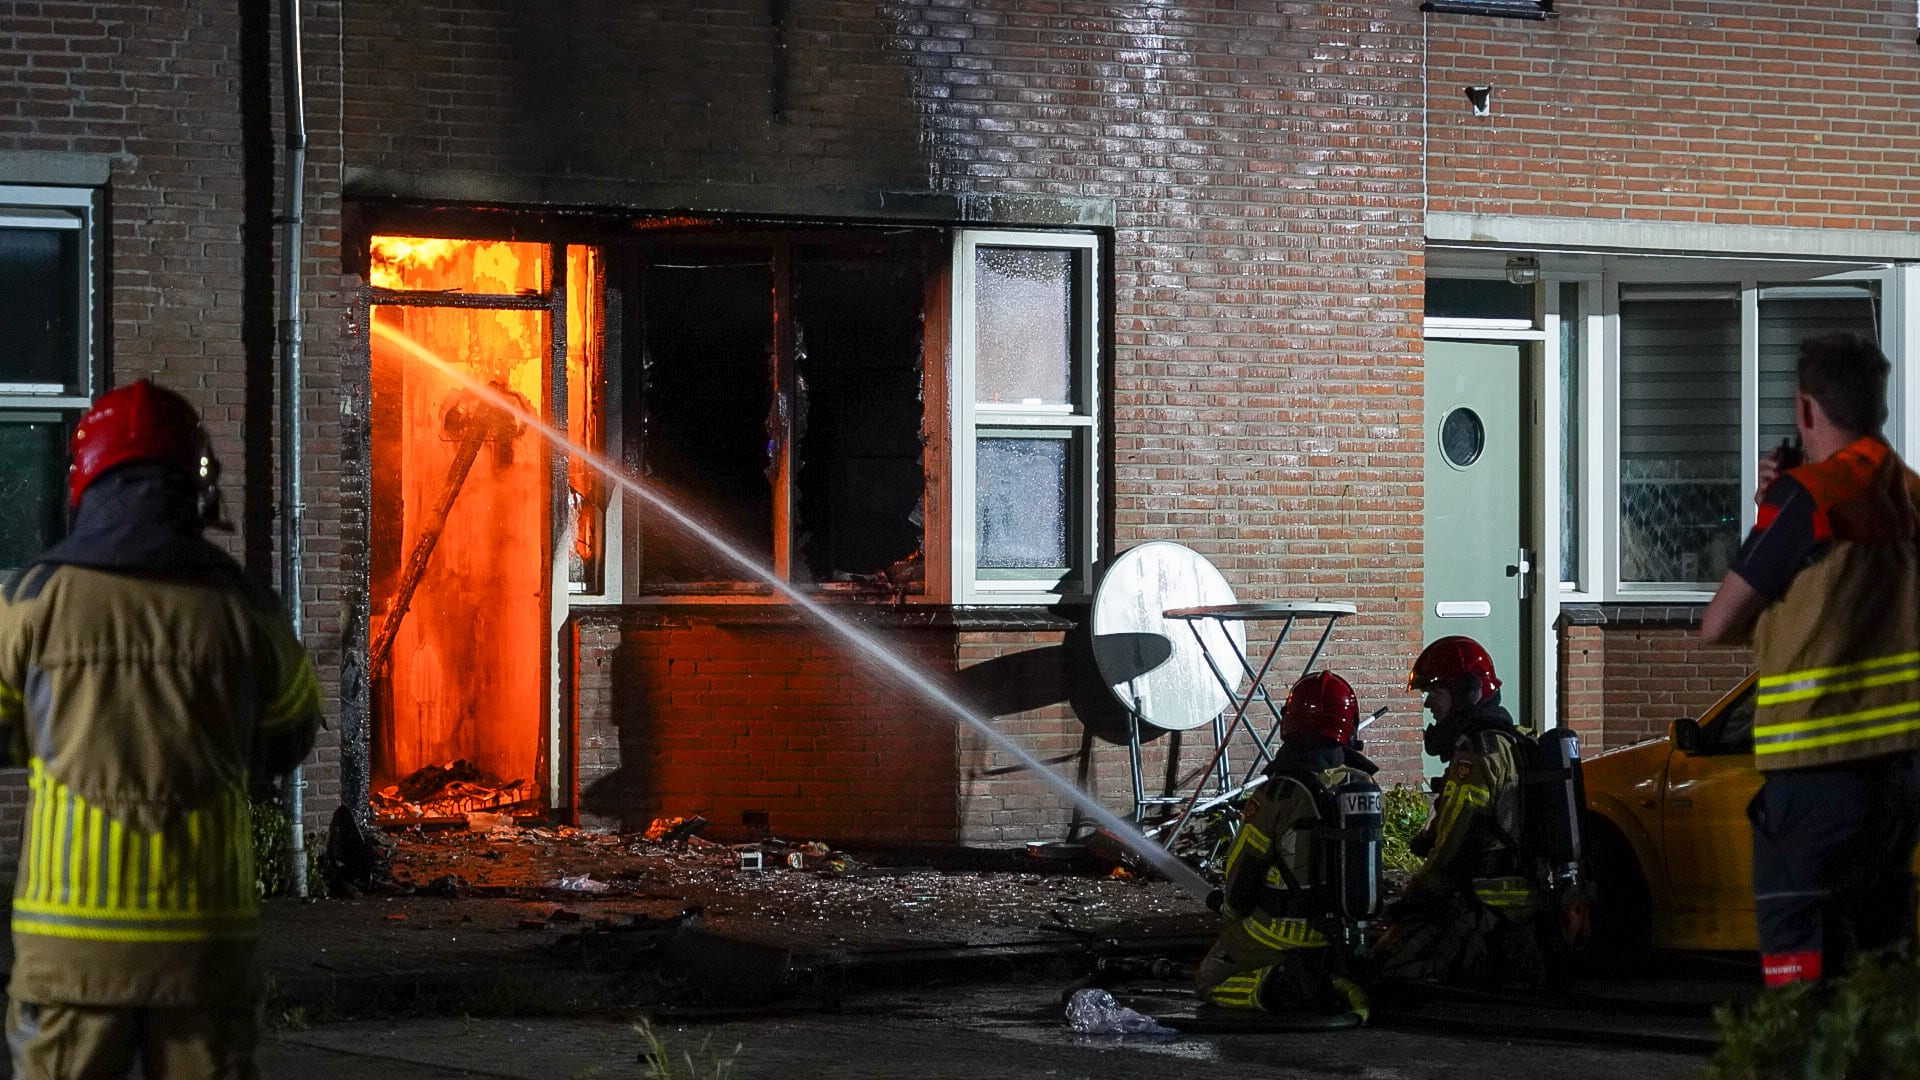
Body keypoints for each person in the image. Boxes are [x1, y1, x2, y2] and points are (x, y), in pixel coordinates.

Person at [0, 380, 321, 1078]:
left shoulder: (30, 600)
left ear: (86, 480)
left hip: (69, 950)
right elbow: (292, 731)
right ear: (196, 482)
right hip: (204, 944)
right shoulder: (247, 607)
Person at [1700, 332, 1920, 987]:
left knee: (1802, 971)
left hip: (1814, 774)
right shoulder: (1912, 496)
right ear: (1879, 405)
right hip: (1900, 779)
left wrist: (1771, 515)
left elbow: (1719, 624)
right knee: (1880, 965)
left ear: (1804, 409)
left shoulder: (1808, 498)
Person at [1195, 670, 1375, 1024]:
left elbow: (1242, 874)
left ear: (1289, 722)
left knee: (1209, 980)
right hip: (1347, 936)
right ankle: (1322, 978)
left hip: (1279, 933)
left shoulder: (1279, 794)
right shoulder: (1362, 785)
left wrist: (1229, 912)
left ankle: (1286, 985)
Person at [1372, 635, 1545, 988]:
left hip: (1486, 908)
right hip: (1516, 907)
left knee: (1386, 966)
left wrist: (1413, 895)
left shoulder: (1477, 755)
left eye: (1435, 692)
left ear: (1466, 692)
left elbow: (1456, 845)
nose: (1428, 704)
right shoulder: (1510, 740)